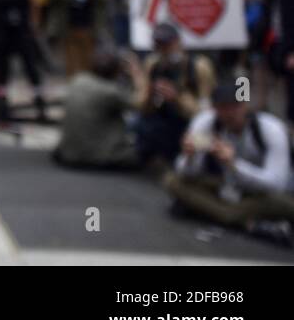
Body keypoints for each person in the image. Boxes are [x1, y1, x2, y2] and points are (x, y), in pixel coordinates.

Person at [164, 79, 294, 243]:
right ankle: (249, 222)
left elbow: (277, 184)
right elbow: (187, 173)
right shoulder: (207, 122)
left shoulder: (270, 129)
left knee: (277, 204)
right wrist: (189, 157)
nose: (230, 113)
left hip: (264, 195)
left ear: (245, 106)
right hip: (228, 187)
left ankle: (211, 212)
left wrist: (234, 165)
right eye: (223, 107)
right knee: (172, 181)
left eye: (235, 106)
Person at [134, 22, 216, 168]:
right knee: (139, 124)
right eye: (158, 45)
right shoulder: (153, 65)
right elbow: (139, 104)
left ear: (178, 42)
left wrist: (177, 98)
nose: (163, 50)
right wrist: (150, 93)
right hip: (162, 118)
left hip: (189, 120)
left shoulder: (198, 66)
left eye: (167, 44)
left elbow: (207, 111)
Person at [53, 49, 145, 168]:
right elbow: (141, 103)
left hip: (69, 154)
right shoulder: (111, 92)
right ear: (117, 70)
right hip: (100, 157)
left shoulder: (78, 80)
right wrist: (137, 73)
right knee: (144, 143)